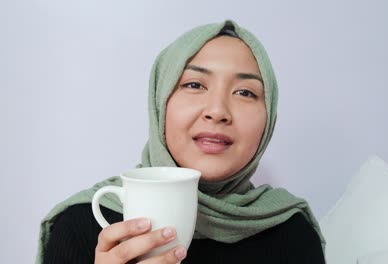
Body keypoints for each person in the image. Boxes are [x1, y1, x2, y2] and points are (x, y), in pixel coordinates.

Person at [37, 20, 326, 264]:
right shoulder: (82, 225)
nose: (218, 111)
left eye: (245, 92)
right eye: (194, 85)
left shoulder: (291, 233)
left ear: (269, 117)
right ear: (159, 102)